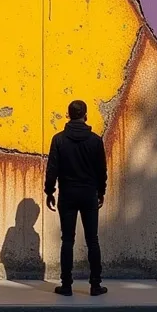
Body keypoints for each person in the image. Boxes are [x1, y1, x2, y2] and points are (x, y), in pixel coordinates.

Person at [44, 99, 108, 296]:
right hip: (88, 194)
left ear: (68, 115)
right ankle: (95, 285)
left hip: (68, 195)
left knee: (67, 240)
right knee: (92, 240)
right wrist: (101, 191)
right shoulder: (95, 141)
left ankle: (66, 285)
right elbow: (101, 171)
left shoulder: (59, 139)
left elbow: (52, 168)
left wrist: (49, 191)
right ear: (85, 115)